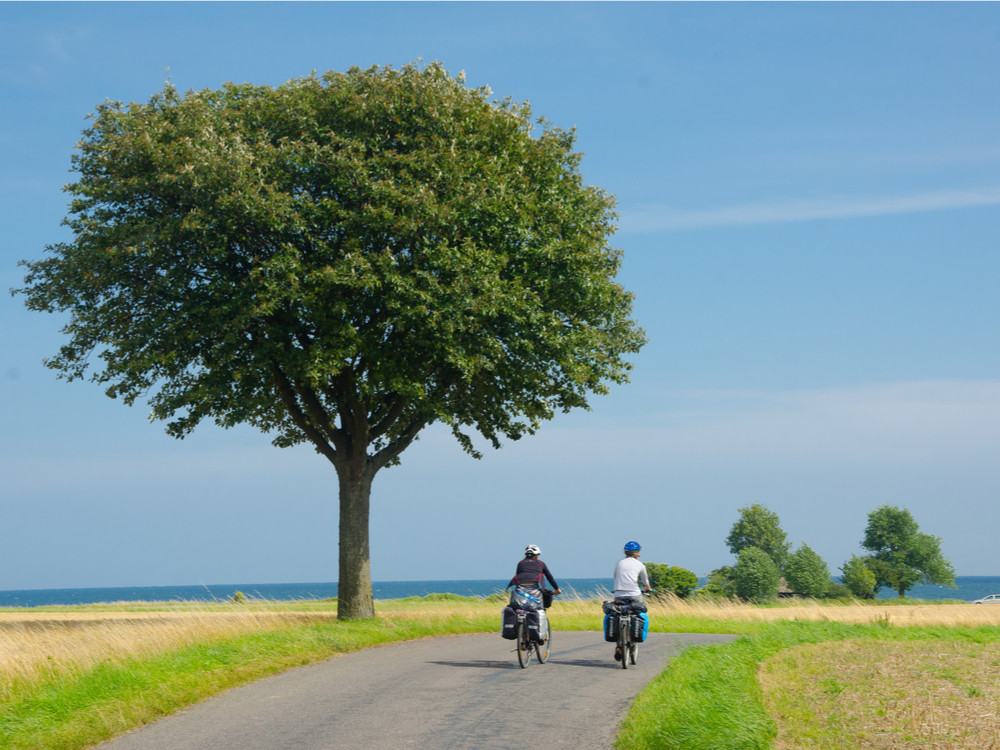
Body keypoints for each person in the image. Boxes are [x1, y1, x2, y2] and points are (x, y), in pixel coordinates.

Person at [612, 540, 651, 661]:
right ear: (637, 554)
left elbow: (615, 576)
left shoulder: (619, 563)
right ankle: (632, 636)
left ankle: (619, 644)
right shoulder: (640, 565)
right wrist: (647, 589)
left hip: (619, 594)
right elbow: (646, 583)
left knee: (617, 613)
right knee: (637, 612)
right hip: (634, 594)